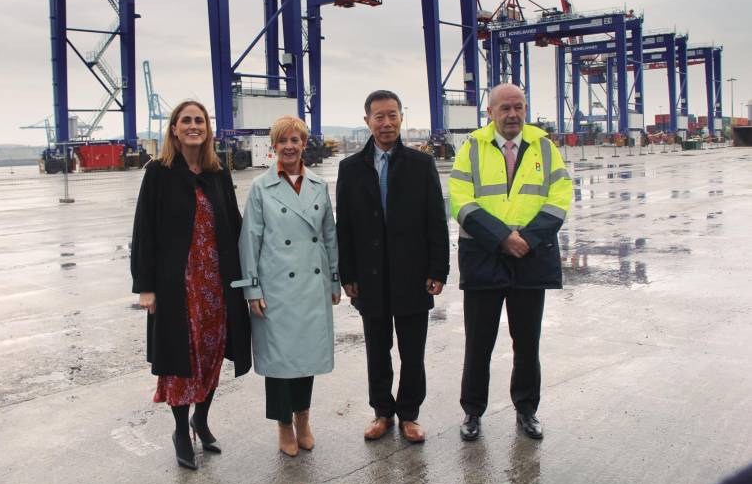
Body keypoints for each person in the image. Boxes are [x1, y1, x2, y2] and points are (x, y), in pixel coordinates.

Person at [130, 100, 251, 470]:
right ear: (174, 129)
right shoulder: (159, 173)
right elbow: (144, 231)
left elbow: (236, 224)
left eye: (200, 120)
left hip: (217, 283)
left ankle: (202, 417)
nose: (194, 125)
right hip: (177, 285)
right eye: (186, 120)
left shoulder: (217, 173)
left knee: (212, 352)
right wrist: (145, 286)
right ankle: (181, 430)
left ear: (208, 129)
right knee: (182, 359)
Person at [448, 83, 572, 442]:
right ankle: (472, 412)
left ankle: (527, 410)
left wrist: (528, 239)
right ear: (490, 112)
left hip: (531, 258)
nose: (513, 114)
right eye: (505, 108)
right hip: (484, 256)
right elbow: (459, 199)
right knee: (478, 343)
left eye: (518, 107)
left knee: (527, 342)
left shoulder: (544, 147)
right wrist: (502, 237)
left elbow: (560, 196)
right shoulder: (471, 147)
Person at [335, 90, 450, 444]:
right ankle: (382, 412)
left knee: (412, 350)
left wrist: (438, 269)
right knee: (377, 349)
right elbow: (345, 227)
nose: (386, 123)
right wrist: (348, 273)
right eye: (379, 116)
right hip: (369, 277)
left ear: (402, 117)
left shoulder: (421, 165)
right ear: (367, 120)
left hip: (412, 274)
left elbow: (436, 221)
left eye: (392, 115)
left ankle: (409, 415)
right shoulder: (350, 168)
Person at [233, 115, 341, 457]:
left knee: (305, 359)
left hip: (311, 286)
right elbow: (249, 241)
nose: (290, 146)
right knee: (280, 363)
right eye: (283, 141)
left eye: (296, 140)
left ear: (304, 144)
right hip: (276, 287)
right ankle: (283, 425)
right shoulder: (261, 188)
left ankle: (303, 419)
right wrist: (252, 290)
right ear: (274, 146)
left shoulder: (319, 186)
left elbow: (329, 237)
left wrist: (334, 279)